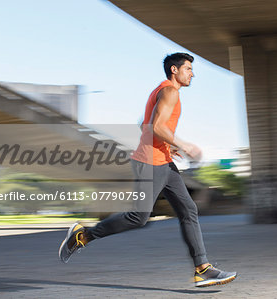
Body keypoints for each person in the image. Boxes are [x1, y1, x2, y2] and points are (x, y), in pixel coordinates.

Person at [58, 53, 237, 287]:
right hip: (151, 162)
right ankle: (83, 236)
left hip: (162, 160)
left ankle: (203, 268)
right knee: (138, 217)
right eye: (188, 69)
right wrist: (184, 145)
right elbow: (157, 127)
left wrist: (169, 147)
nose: (192, 73)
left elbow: (145, 124)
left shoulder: (161, 91)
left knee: (188, 210)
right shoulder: (170, 92)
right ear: (174, 70)